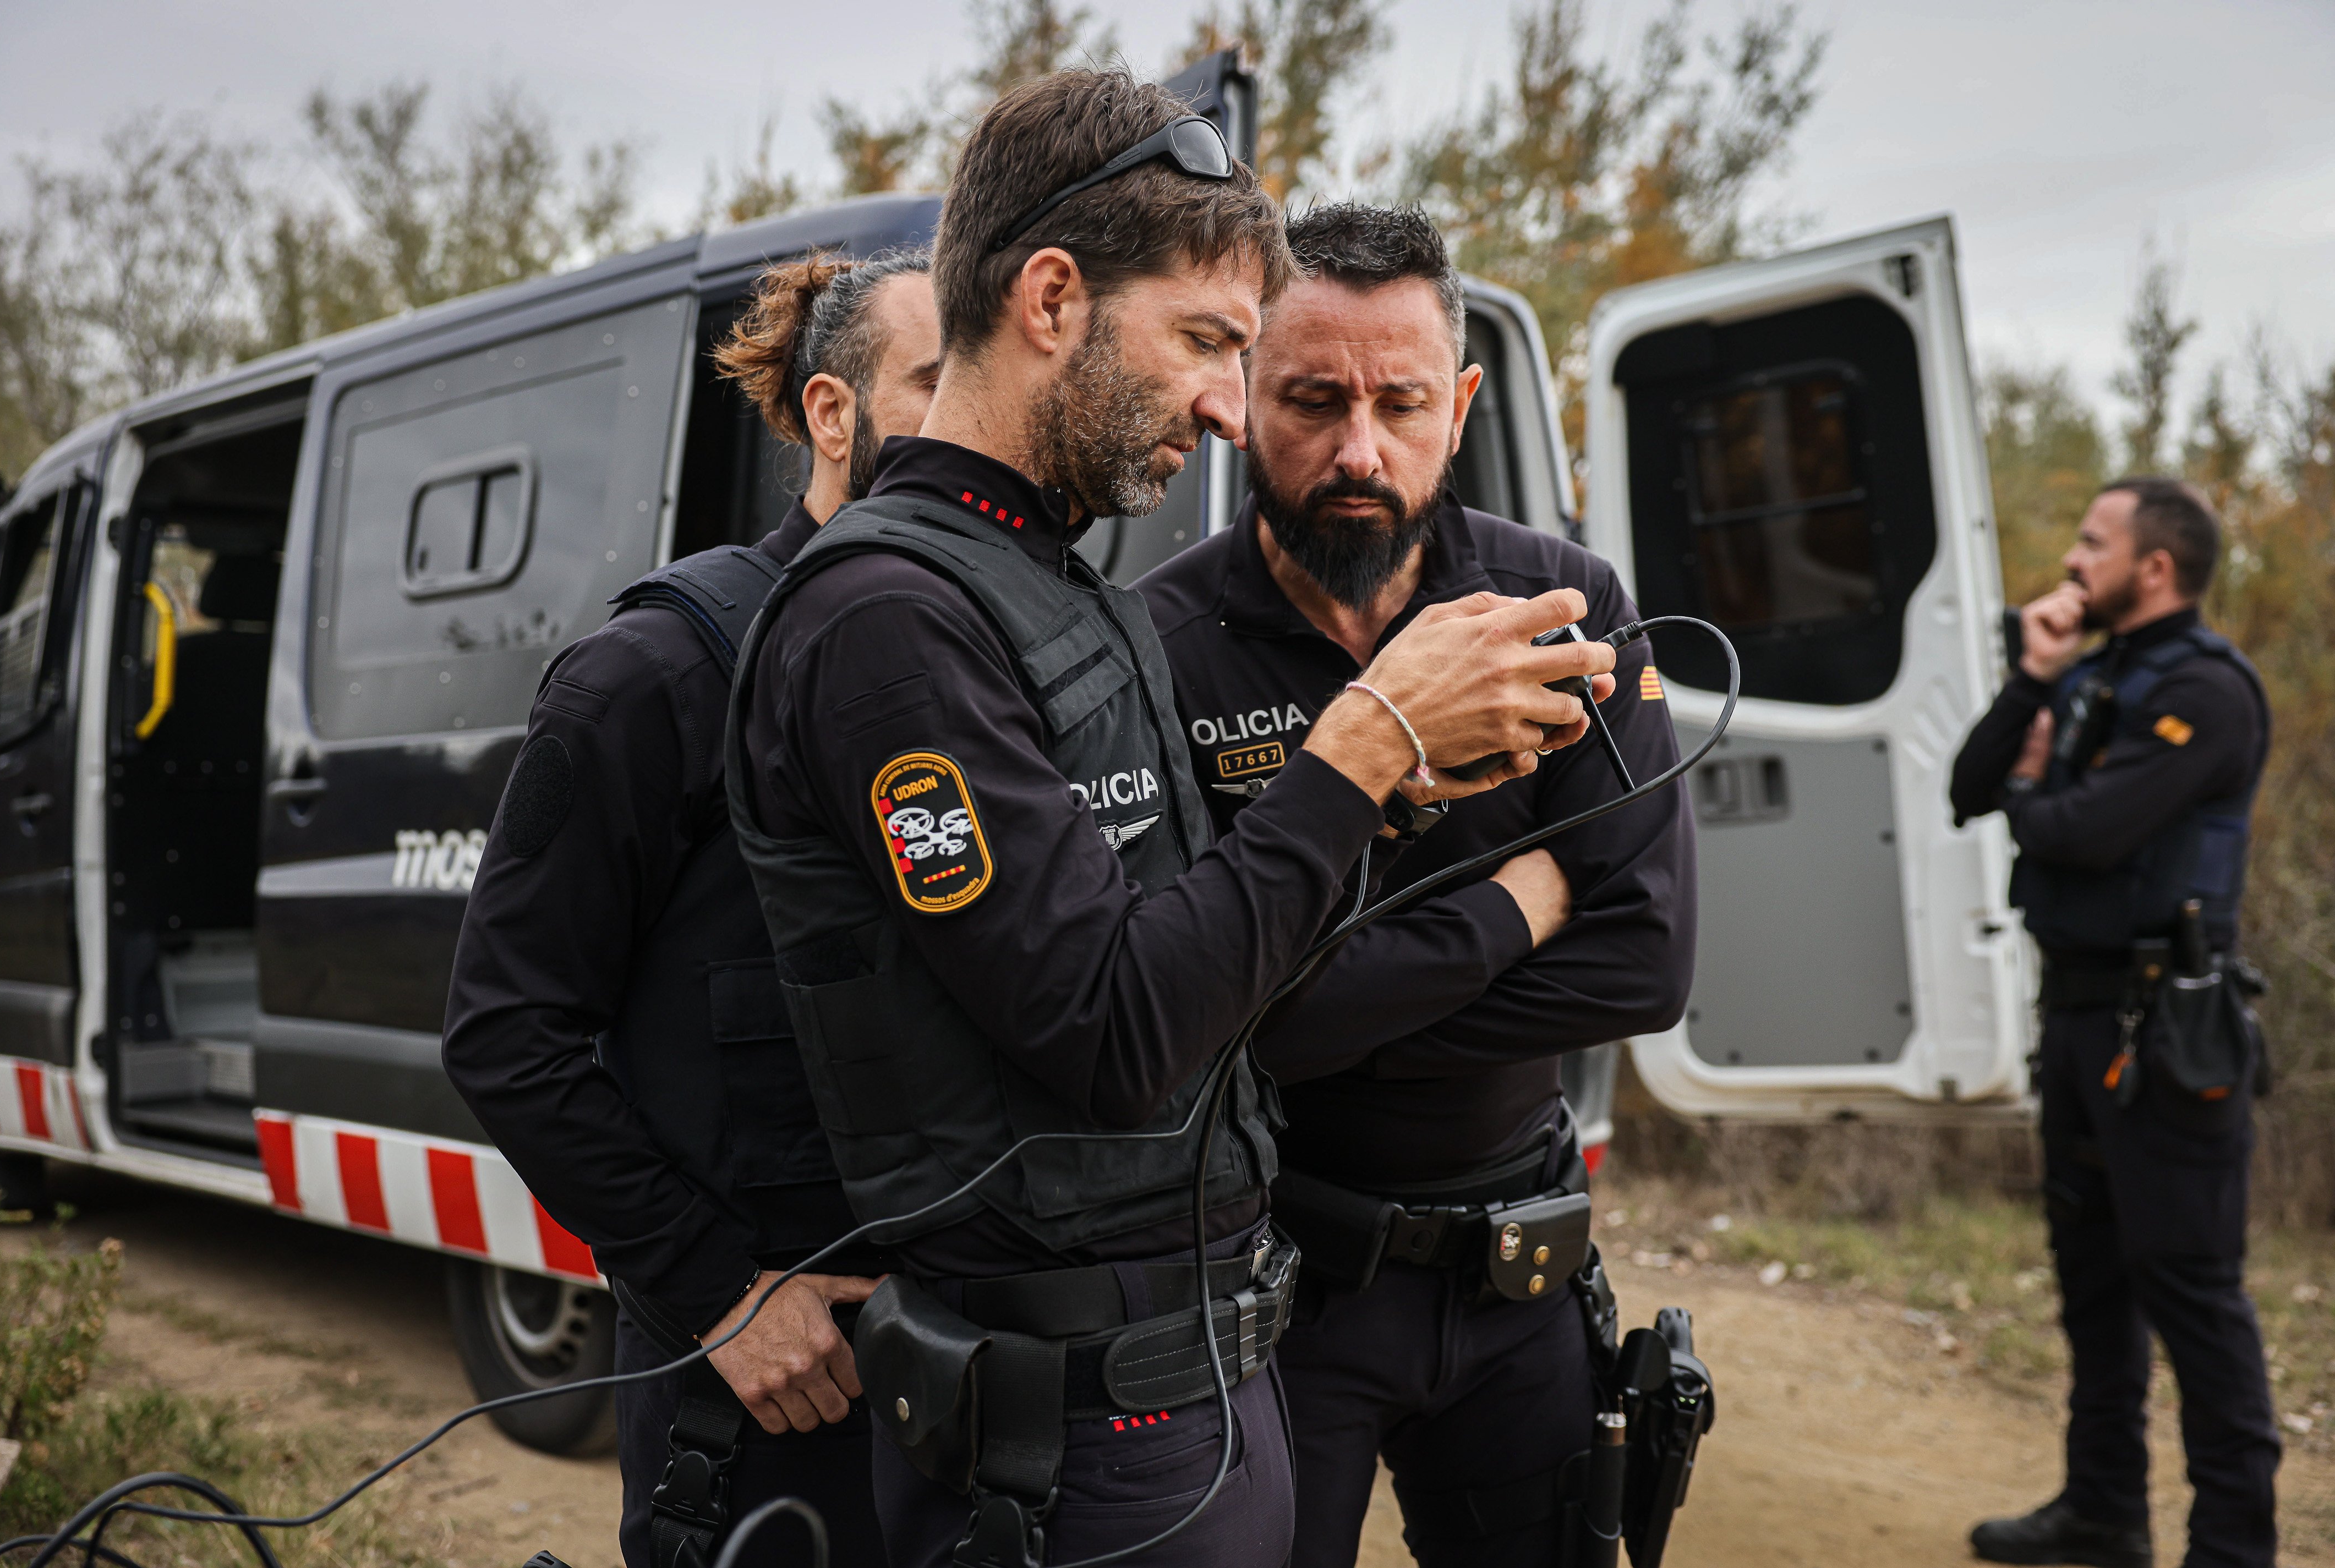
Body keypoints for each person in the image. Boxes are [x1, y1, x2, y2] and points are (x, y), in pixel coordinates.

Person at [725, 70, 1617, 1568]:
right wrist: (1366, 743)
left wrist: (1381, 806)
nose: (1224, 406)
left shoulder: (1051, 582)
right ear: (1055, 298)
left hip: (1201, 1376)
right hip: (1071, 1433)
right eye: (1208, 343)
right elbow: (1120, 1031)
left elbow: (1209, 944)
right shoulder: (889, 622)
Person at [1135, 203, 1694, 1567]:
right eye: (1313, 401)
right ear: (1244, 395)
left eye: (1399, 403)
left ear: (1462, 405)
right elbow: (1194, 1018)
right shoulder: (1158, 646)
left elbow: (1646, 964)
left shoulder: (1561, 603)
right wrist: (1521, 902)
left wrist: (1305, 1005)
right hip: (1274, 1289)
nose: (1358, 452)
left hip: (1521, 1278)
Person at [442, 248, 940, 1568]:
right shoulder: (650, 673)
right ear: (833, 416)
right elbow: (507, 1034)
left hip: (972, 1389)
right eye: (939, 384)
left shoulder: (1010, 672)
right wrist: (721, 1293)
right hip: (767, 1398)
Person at [1951, 479, 2278, 1568]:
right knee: (2093, 1281)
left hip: (2168, 1030)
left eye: (2095, 542)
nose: (2073, 560)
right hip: (2081, 1019)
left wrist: (2036, 804)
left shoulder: (2208, 691)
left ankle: (2233, 1547)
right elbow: (1968, 784)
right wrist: (2030, 680)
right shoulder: (2090, 673)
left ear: (2155, 567)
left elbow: (2088, 832)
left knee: (2192, 1291)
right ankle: (2104, 1511)